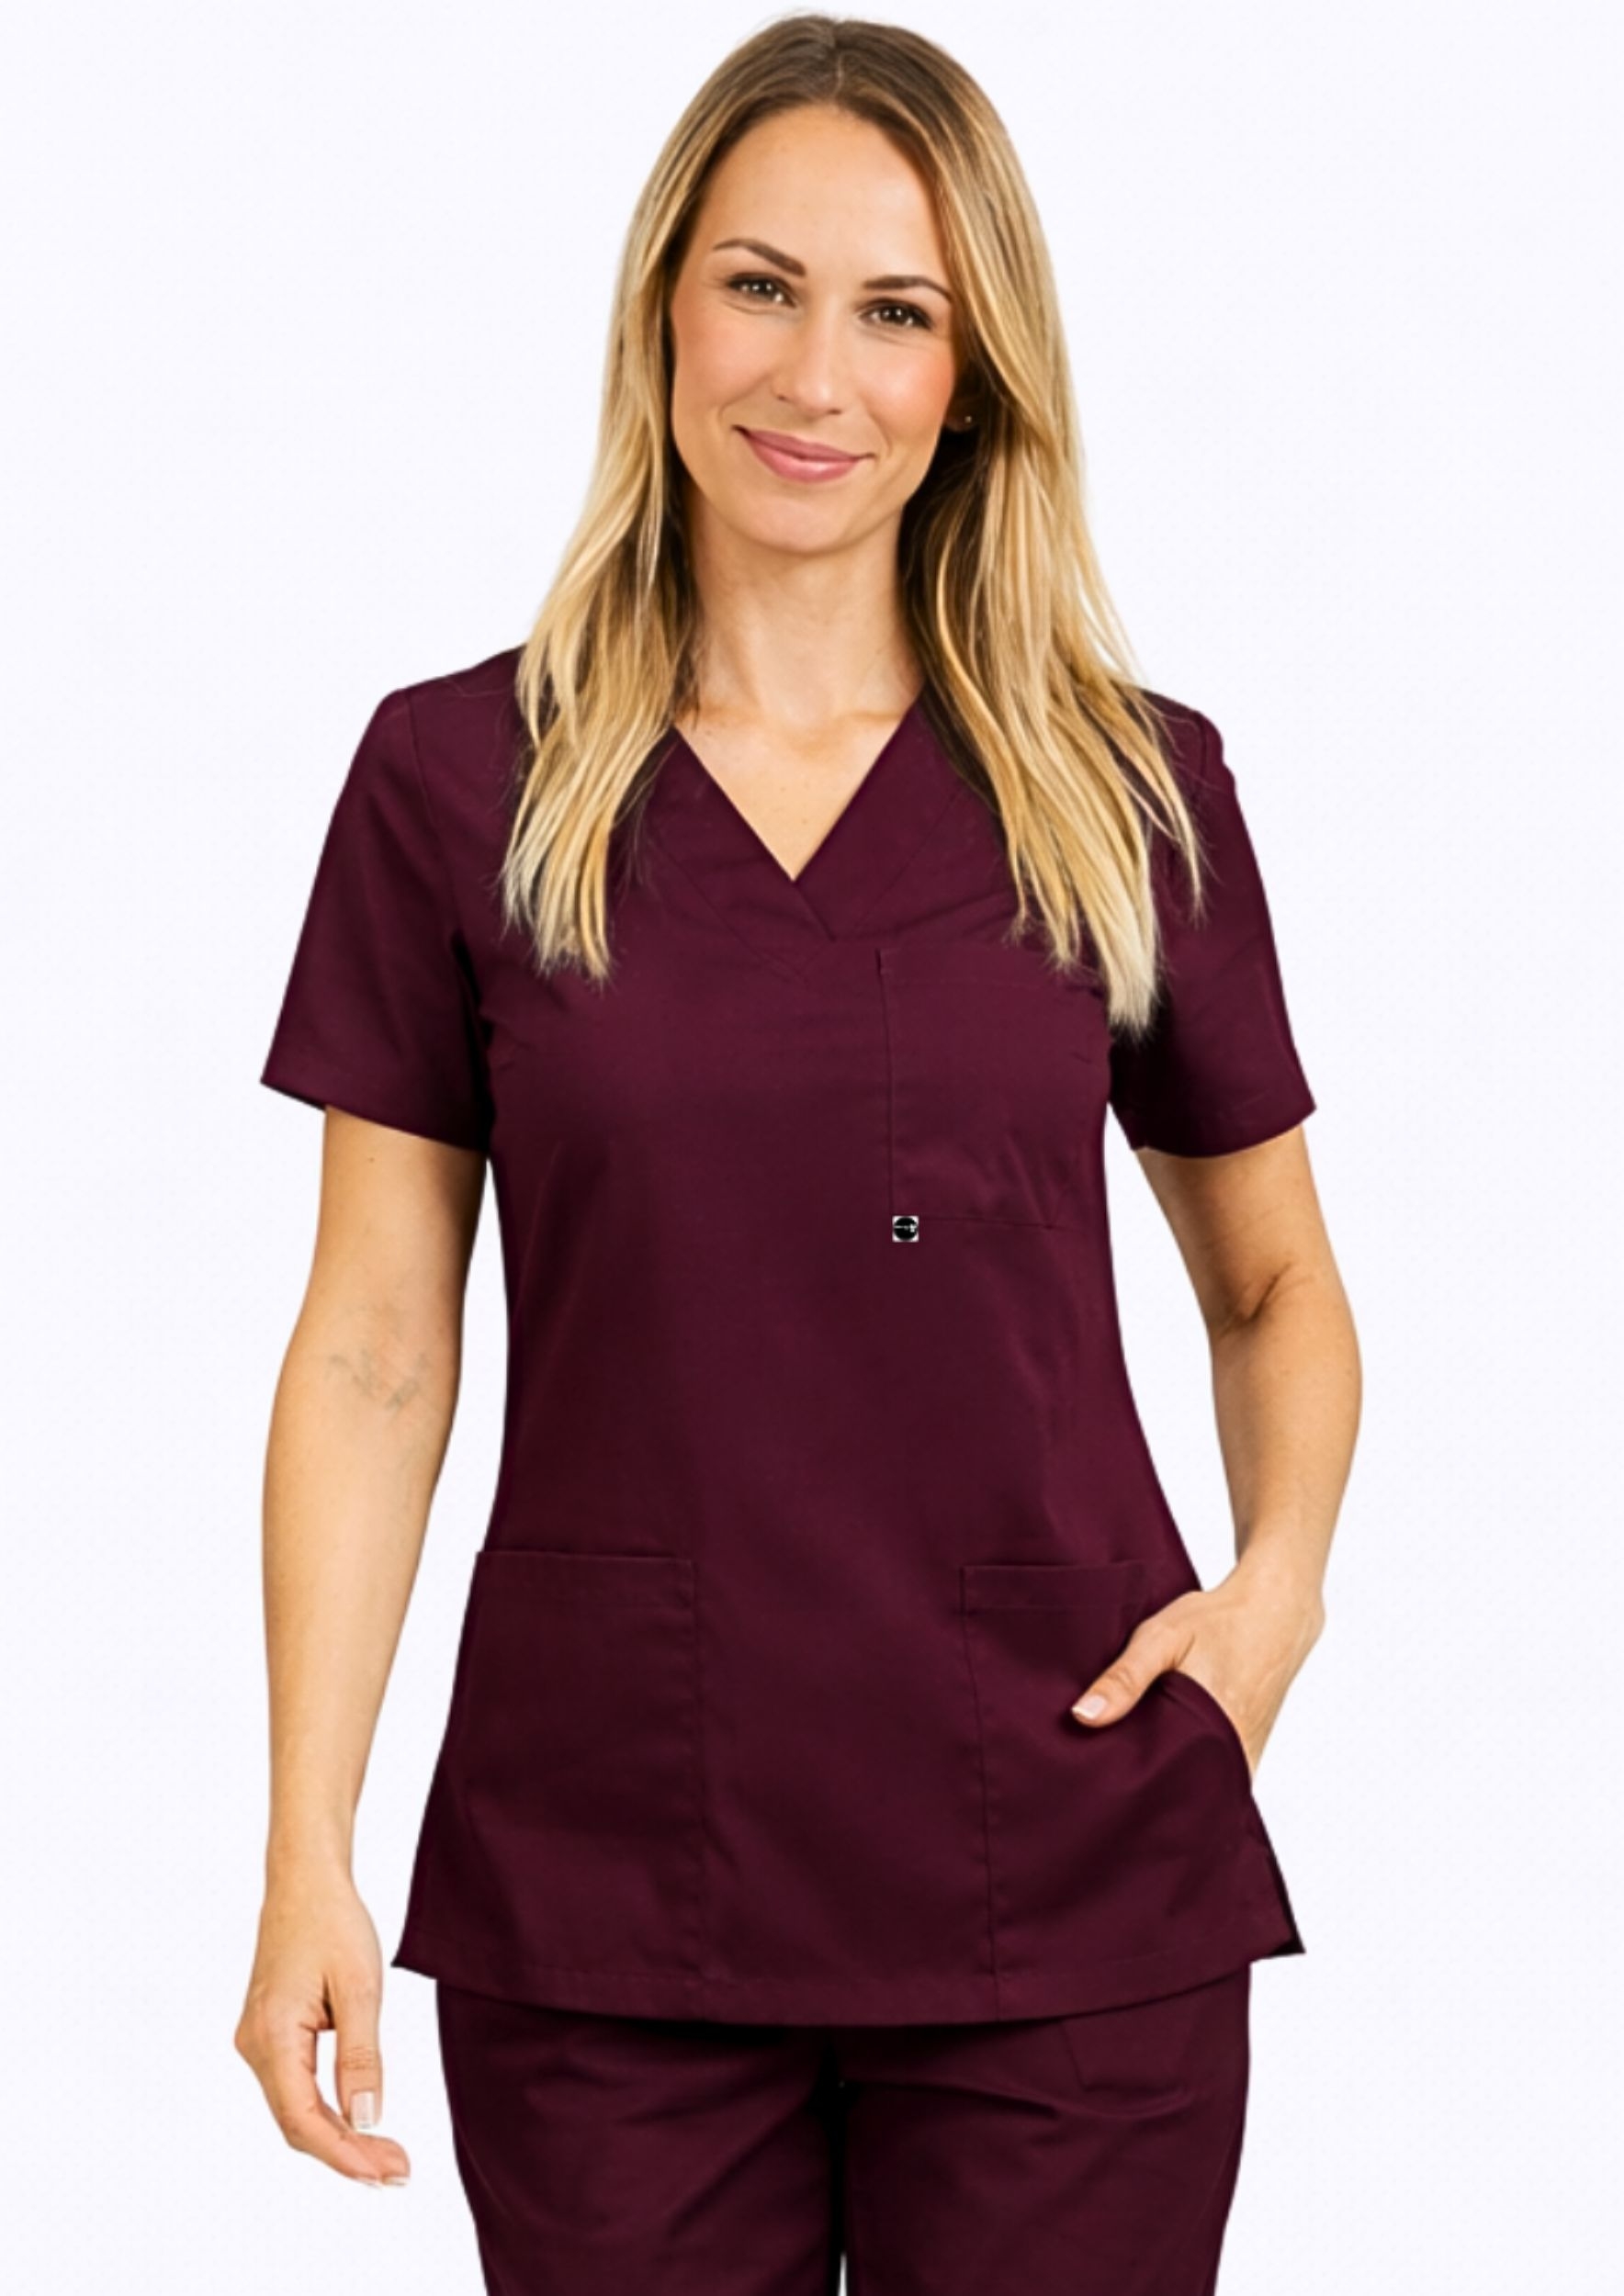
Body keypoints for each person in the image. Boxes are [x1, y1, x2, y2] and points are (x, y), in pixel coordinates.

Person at [235, 17, 1359, 2292]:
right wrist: (304, 1845)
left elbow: (1269, 1284)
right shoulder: (460, 782)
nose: (813, 377)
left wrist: (1272, 1598)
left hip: (1066, 1862)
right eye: (758, 287)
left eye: (894, 311)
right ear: (662, 308)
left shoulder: (1126, 790)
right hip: (605, 1879)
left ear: (972, 376)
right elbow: (371, 1347)